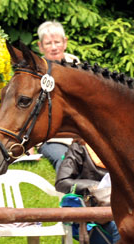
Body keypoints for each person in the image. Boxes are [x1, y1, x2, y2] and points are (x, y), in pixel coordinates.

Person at [36, 21, 78, 172]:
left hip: (81, 134)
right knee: (66, 160)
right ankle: (69, 193)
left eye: (57, 42)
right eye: (48, 43)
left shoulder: (79, 68)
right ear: (40, 46)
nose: (54, 47)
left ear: (65, 43)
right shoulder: (35, 71)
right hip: (53, 137)